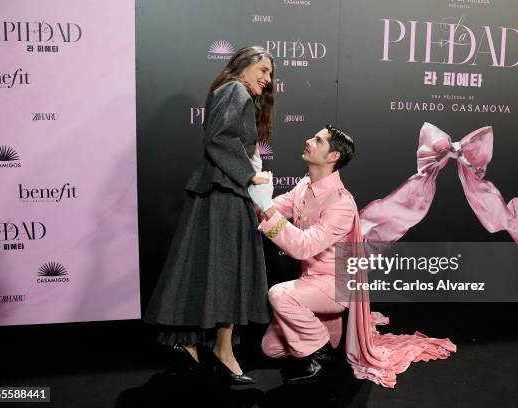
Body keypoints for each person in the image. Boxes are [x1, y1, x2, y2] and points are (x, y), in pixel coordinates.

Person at [249, 125, 456, 386]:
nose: (308, 141)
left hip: (336, 285)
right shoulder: (303, 186)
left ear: (333, 156)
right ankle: (327, 331)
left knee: (279, 294)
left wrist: (266, 206)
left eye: (318, 140)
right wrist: (259, 194)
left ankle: (322, 354)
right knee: (271, 348)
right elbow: (271, 210)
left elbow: (302, 246)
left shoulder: (341, 203)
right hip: (308, 282)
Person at [144, 46, 276, 384]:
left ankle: (200, 345)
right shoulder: (234, 89)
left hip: (220, 192)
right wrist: (249, 174)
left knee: (212, 269)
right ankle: (219, 350)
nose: (267, 79)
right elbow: (218, 138)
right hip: (223, 193)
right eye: (262, 70)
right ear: (243, 67)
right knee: (225, 269)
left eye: (270, 74)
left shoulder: (231, 92)